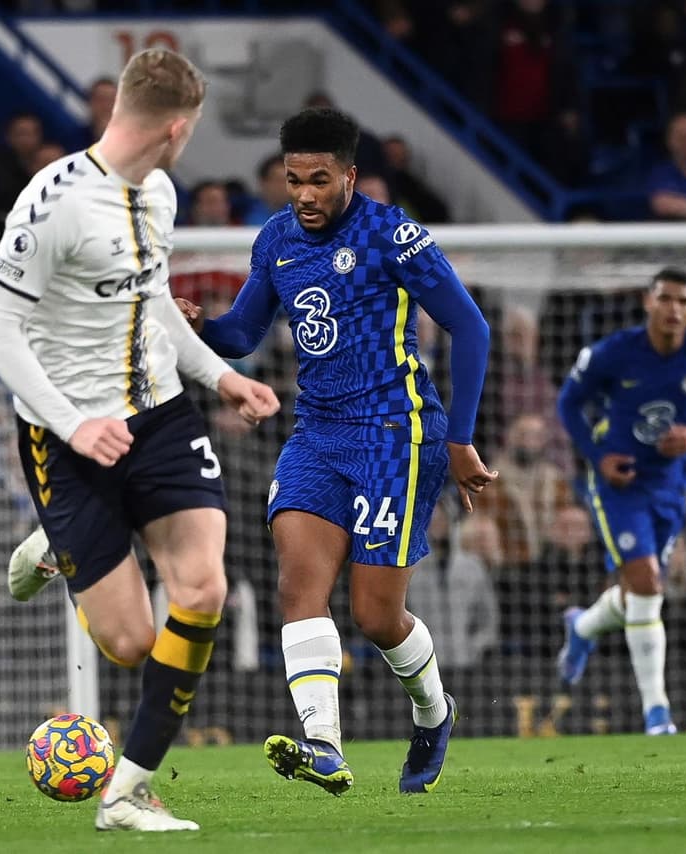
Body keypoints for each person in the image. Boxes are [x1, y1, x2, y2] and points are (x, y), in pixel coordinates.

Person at [0, 48, 279, 832]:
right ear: (176, 126)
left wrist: (221, 377)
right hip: (69, 438)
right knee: (131, 641)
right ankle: (54, 546)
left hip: (163, 418)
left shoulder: (161, 193)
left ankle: (129, 790)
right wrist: (73, 423)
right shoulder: (55, 204)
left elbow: (155, 303)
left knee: (203, 590)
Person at [176, 108, 494, 795]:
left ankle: (434, 713)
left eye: (320, 180)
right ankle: (323, 744)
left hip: (395, 435)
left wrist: (462, 439)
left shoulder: (395, 237)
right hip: (317, 432)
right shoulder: (276, 239)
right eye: (293, 181)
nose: (305, 195)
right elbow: (243, 334)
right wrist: (199, 328)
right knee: (298, 584)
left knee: (376, 615)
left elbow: (471, 329)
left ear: (349, 176)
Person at [557, 267, 686, 735]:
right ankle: (657, 712)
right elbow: (568, 404)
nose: (674, 309)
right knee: (648, 582)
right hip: (620, 482)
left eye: (684, 301)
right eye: (666, 299)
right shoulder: (614, 352)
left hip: (671, 486)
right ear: (648, 302)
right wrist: (597, 458)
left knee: (641, 592)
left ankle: (582, 628)